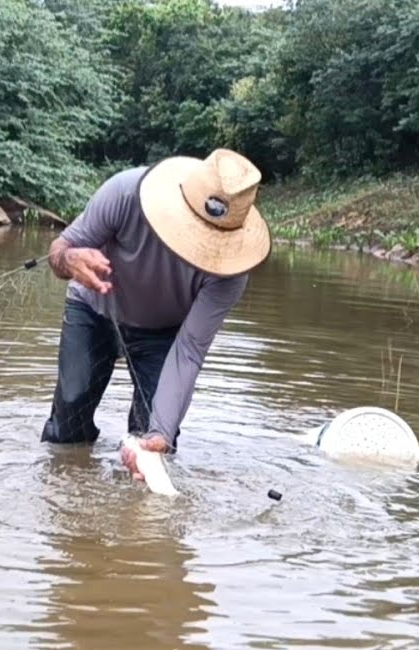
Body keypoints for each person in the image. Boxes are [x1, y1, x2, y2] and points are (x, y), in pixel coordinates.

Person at [40, 147, 272, 484]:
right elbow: (58, 252)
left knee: (152, 445)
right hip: (93, 312)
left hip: (163, 334)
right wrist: (69, 260)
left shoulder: (232, 272)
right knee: (67, 428)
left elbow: (190, 349)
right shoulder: (124, 193)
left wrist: (161, 432)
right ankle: (64, 492)